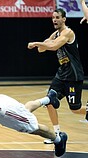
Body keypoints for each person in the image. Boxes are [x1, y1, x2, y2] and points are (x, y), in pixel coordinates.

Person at [27, 8, 87, 143]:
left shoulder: (68, 33)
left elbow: (52, 47)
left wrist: (38, 43)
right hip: (61, 75)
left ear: (64, 19)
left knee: (75, 109)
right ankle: (57, 134)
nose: (54, 20)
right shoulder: (55, 34)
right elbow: (42, 50)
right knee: (50, 102)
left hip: (73, 75)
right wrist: (43, 44)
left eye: (57, 17)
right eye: (53, 17)